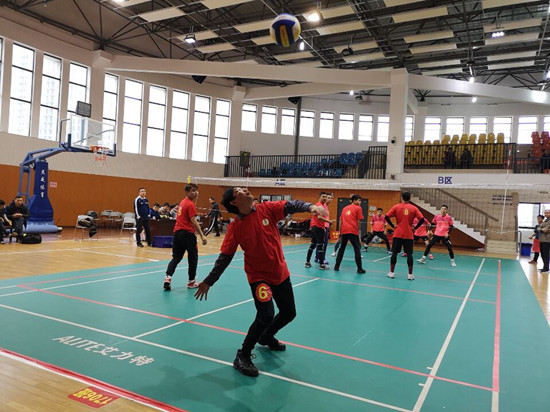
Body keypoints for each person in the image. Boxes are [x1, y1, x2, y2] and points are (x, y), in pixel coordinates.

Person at [194, 187, 327, 377]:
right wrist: (209, 281)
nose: (246, 190)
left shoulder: (267, 209)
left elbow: (292, 205)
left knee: (289, 313)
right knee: (266, 314)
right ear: (234, 202)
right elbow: (225, 257)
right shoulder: (235, 227)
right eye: (239, 190)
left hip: (280, 272)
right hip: (258, 277)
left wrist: (311, 207)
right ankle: (243, 355)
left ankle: (266, 336)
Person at [164, 183, 207, 291]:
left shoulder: (183, 202)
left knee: (176, 258)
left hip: (177, 234)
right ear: (187, 192)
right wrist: (202, 235)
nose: (195, 192)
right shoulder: (190, 204)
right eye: (193, 191)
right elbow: (194, 221)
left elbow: (190, 209)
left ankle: (168, 278)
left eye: (196, 190)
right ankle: (191, 281)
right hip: (187, 234)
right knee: (193, 258)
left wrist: (195, 198)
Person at [385, 192, 425, 280]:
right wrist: (415, 228)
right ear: (409, 198)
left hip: (398, 233)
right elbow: (422, 219)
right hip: (409, 234)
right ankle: (410, 275)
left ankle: (391, 273)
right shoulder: (414, 208)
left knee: (394, 253)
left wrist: (393, 226)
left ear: (401, 198)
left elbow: (386, 217)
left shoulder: (396, 207)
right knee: (409, 254)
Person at [334, 195, 366, 274]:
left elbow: (341, 221)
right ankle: (359, 268)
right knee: (357, 248)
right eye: (359, 200)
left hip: (344, 230)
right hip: (353, 230)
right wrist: (358, 231)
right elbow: (359, 221)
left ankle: (336, 266)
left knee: (342, 248)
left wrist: (340, 232)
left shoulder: (345, 208)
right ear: (354, 200)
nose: (360, 202)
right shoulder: (358, 208)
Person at [305, 192, 330, 269]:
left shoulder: (321, 205)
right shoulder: (319, 206)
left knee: (313, 245)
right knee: (320, 245)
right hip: (318, 227)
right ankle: (321, 264)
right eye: (323, 196)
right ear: (320, 197)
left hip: (315, 227)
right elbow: (319, 217)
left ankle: (307, 262)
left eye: (326, 197)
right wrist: (329, 221)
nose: (325, 198)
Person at [538, 209, 550, 273]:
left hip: (547, 240)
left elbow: (546, 230)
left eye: (547, 213)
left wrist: (542, 229)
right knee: (542, 254)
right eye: (545, 213)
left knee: (546, 254)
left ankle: (546, 268)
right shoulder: (545, 221)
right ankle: (544, 267)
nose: (546, 214)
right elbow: (538, 228)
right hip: (542, 240)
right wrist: (542, 229)